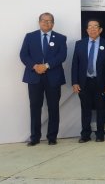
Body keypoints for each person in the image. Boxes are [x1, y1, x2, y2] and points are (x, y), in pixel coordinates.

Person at [19, 13, 67, 146]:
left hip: (53, 77)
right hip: (34, 77)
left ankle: (52, 137)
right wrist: (35, 66)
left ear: (53, 23)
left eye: (50, 21)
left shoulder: (61, 38)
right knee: (35, 107)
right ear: (39, 22)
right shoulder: (30, 36)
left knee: (53, 107)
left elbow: (62, 56)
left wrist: (46, 66)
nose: (47, 23)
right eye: (44, 21)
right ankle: (35, 137)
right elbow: (23, 55)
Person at [71, 19, 105, 143]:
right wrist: (75, 82)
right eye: (90, 26)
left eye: (96, 26)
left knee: (101, 109)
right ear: (86, 30)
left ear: (100, 30)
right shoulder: (79, 44)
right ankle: (85, 134)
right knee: (85, 109)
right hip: (84, 82)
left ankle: (100, 134)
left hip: (100, 82)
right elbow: (75, 64)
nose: (93, 29)